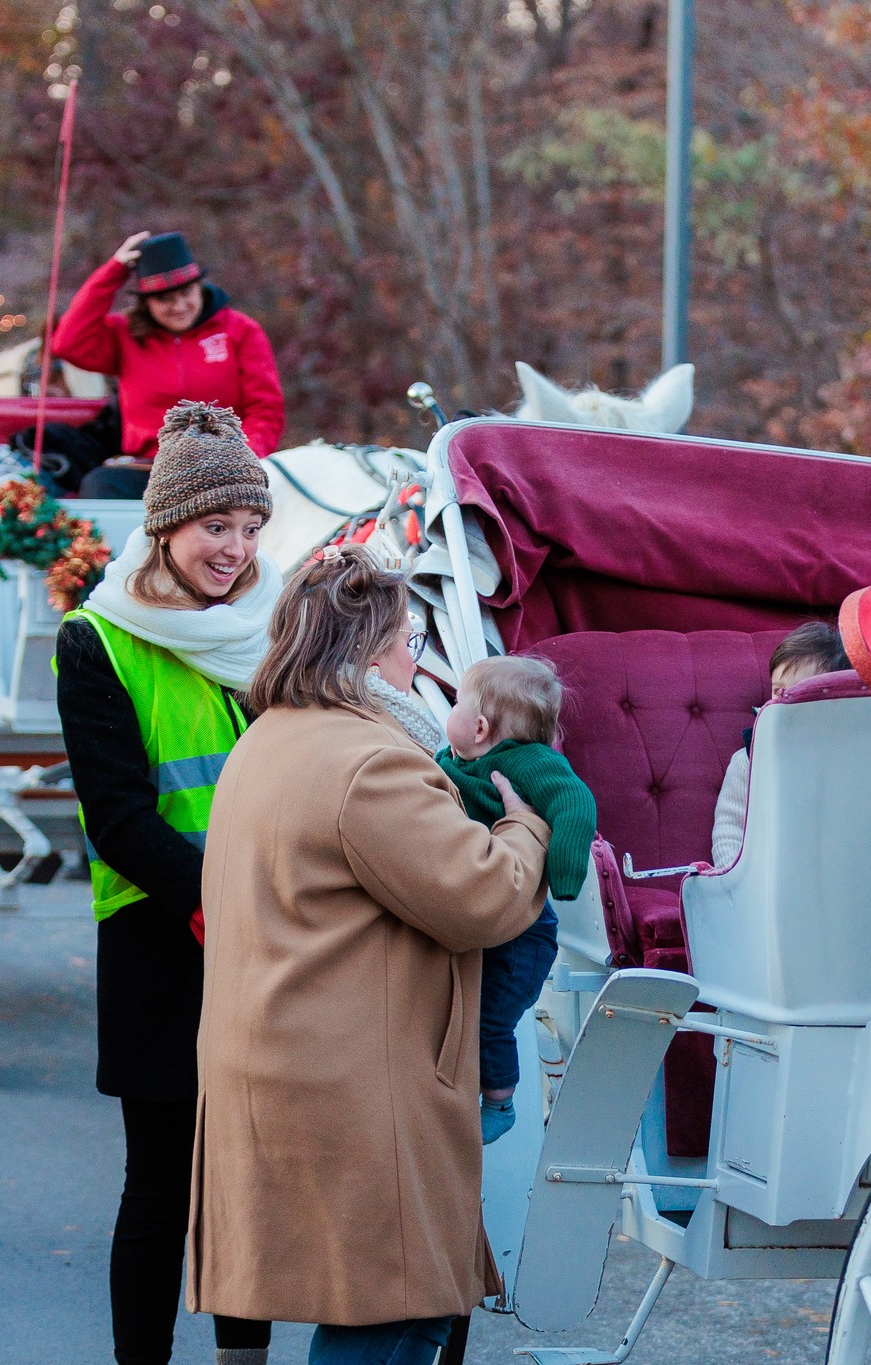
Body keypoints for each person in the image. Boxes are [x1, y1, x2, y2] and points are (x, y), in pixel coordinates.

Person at [190, 545, 550, 1365]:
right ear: (368, 650)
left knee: (371, 1310)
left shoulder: (270, 736)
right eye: (407, 638)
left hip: (290, 1066)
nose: (414, 659)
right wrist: (525, 824)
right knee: (394, 1311)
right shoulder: (370, 760)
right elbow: (485, 897)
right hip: (354, 1083)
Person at [52, 402, 280, 1365]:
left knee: (249, 1182)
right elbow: (117, 818)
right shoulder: (96, 639)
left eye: (248, 528)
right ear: (165, 527)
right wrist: (215, 899)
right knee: (159, 1185)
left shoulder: (272, 631)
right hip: (159, 935)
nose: (233, 549)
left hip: (269, 934)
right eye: (214, 526)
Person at [433, 654, 595, 1143]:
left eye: (457, 702)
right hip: (484, 912)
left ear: (480, 726)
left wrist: (566, 874)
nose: (452, 709)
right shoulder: (453, 759)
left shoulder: (531, 763)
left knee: (490, 1017)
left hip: (525, 931)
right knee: (462, 1011)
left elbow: (575, 803)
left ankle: (500, 1103)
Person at [50, 231, 285, 499]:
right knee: (99, 485)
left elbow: (265, 410)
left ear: (200, 286)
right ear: (146, 302)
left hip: (223, 467)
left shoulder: (241, 331)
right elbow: (66, 343)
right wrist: (114, 270)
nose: (179, 306)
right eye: (164, 299)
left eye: (186, 292)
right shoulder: (125, 334)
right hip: (149, 469)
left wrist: (245, 458)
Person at [709, 621, 850, 869]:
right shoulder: (749, 760)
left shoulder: (850, 754)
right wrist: (733, 881)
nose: (786, 702)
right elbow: (729, 829)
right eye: (779, 691)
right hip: (762, 876)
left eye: (801, 692)